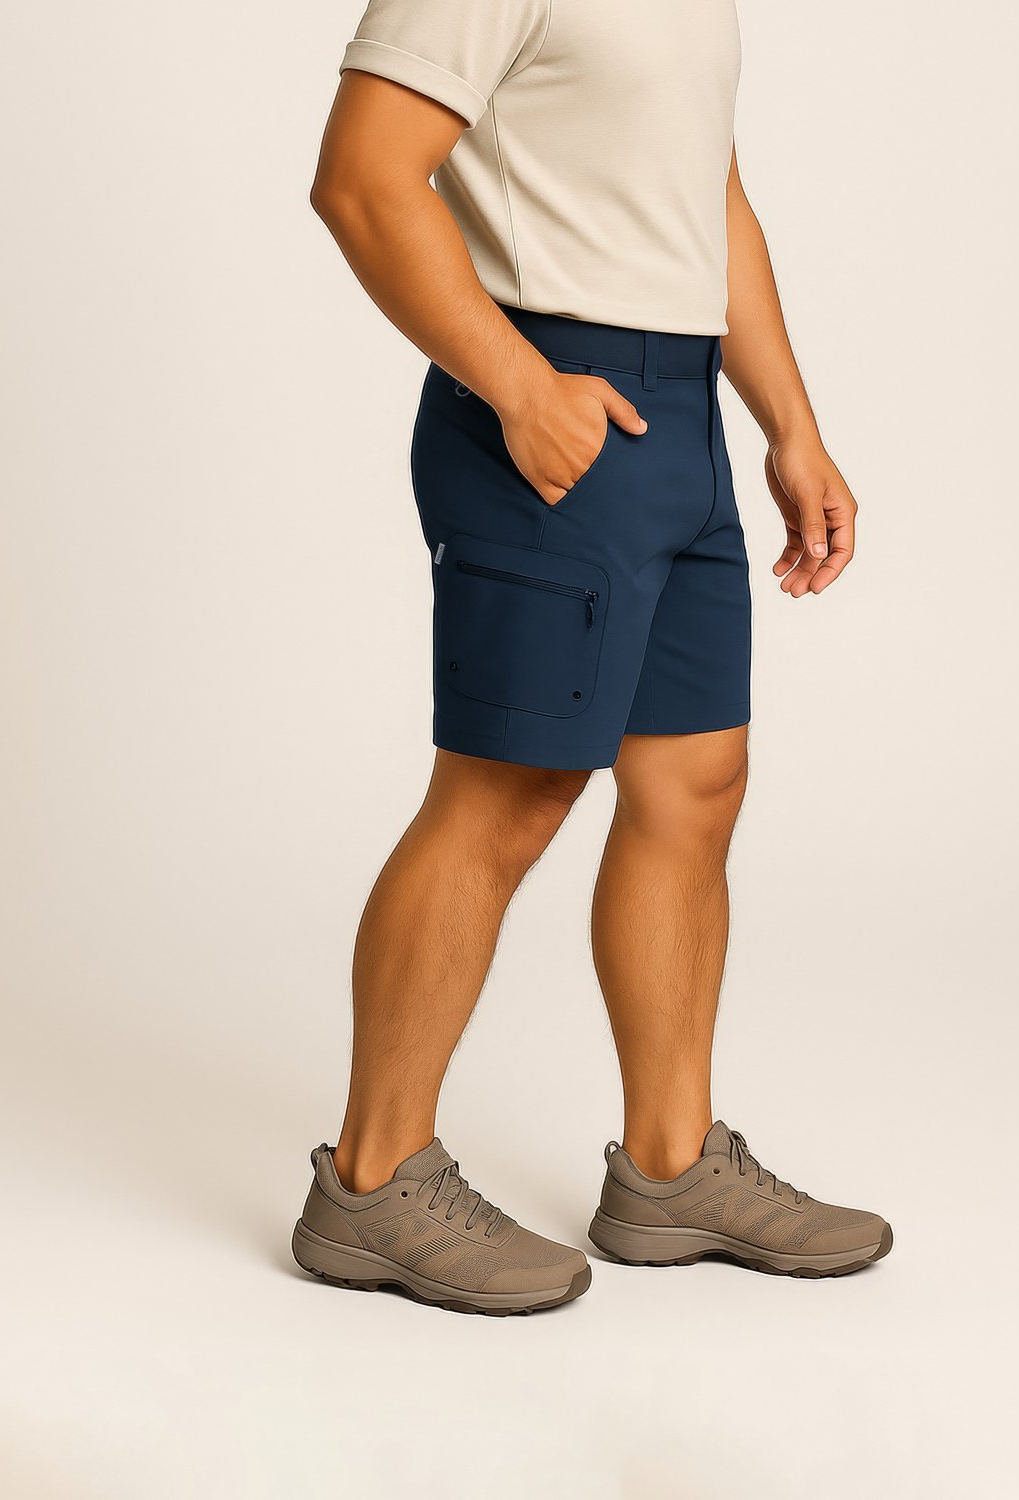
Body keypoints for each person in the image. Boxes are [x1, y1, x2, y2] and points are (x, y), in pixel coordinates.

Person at [292, 0, 891, 1315]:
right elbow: (363, 176)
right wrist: (518, 386)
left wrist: (789, 426)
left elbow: (708, 193)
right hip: (550, 395)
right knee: (508, 792)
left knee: (696, 783)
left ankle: (671, 1171)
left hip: (680, 417)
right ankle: (371, 1182)